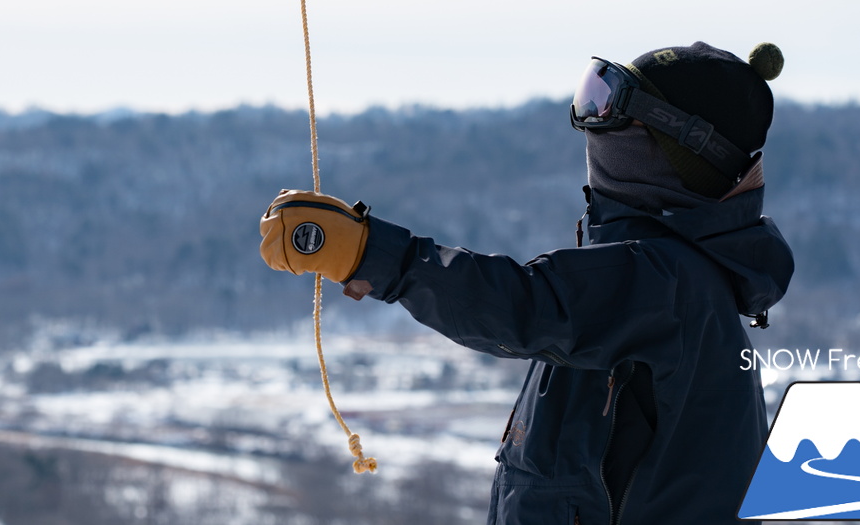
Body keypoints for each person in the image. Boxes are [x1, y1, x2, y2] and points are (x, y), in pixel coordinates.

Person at [259, 41, 794, 525]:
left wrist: (371, 256)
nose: (587, 121)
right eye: (591, 94)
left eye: (605, 108)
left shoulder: (664, 283)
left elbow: (522, 305)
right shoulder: (669, 279)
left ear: (676, 151)